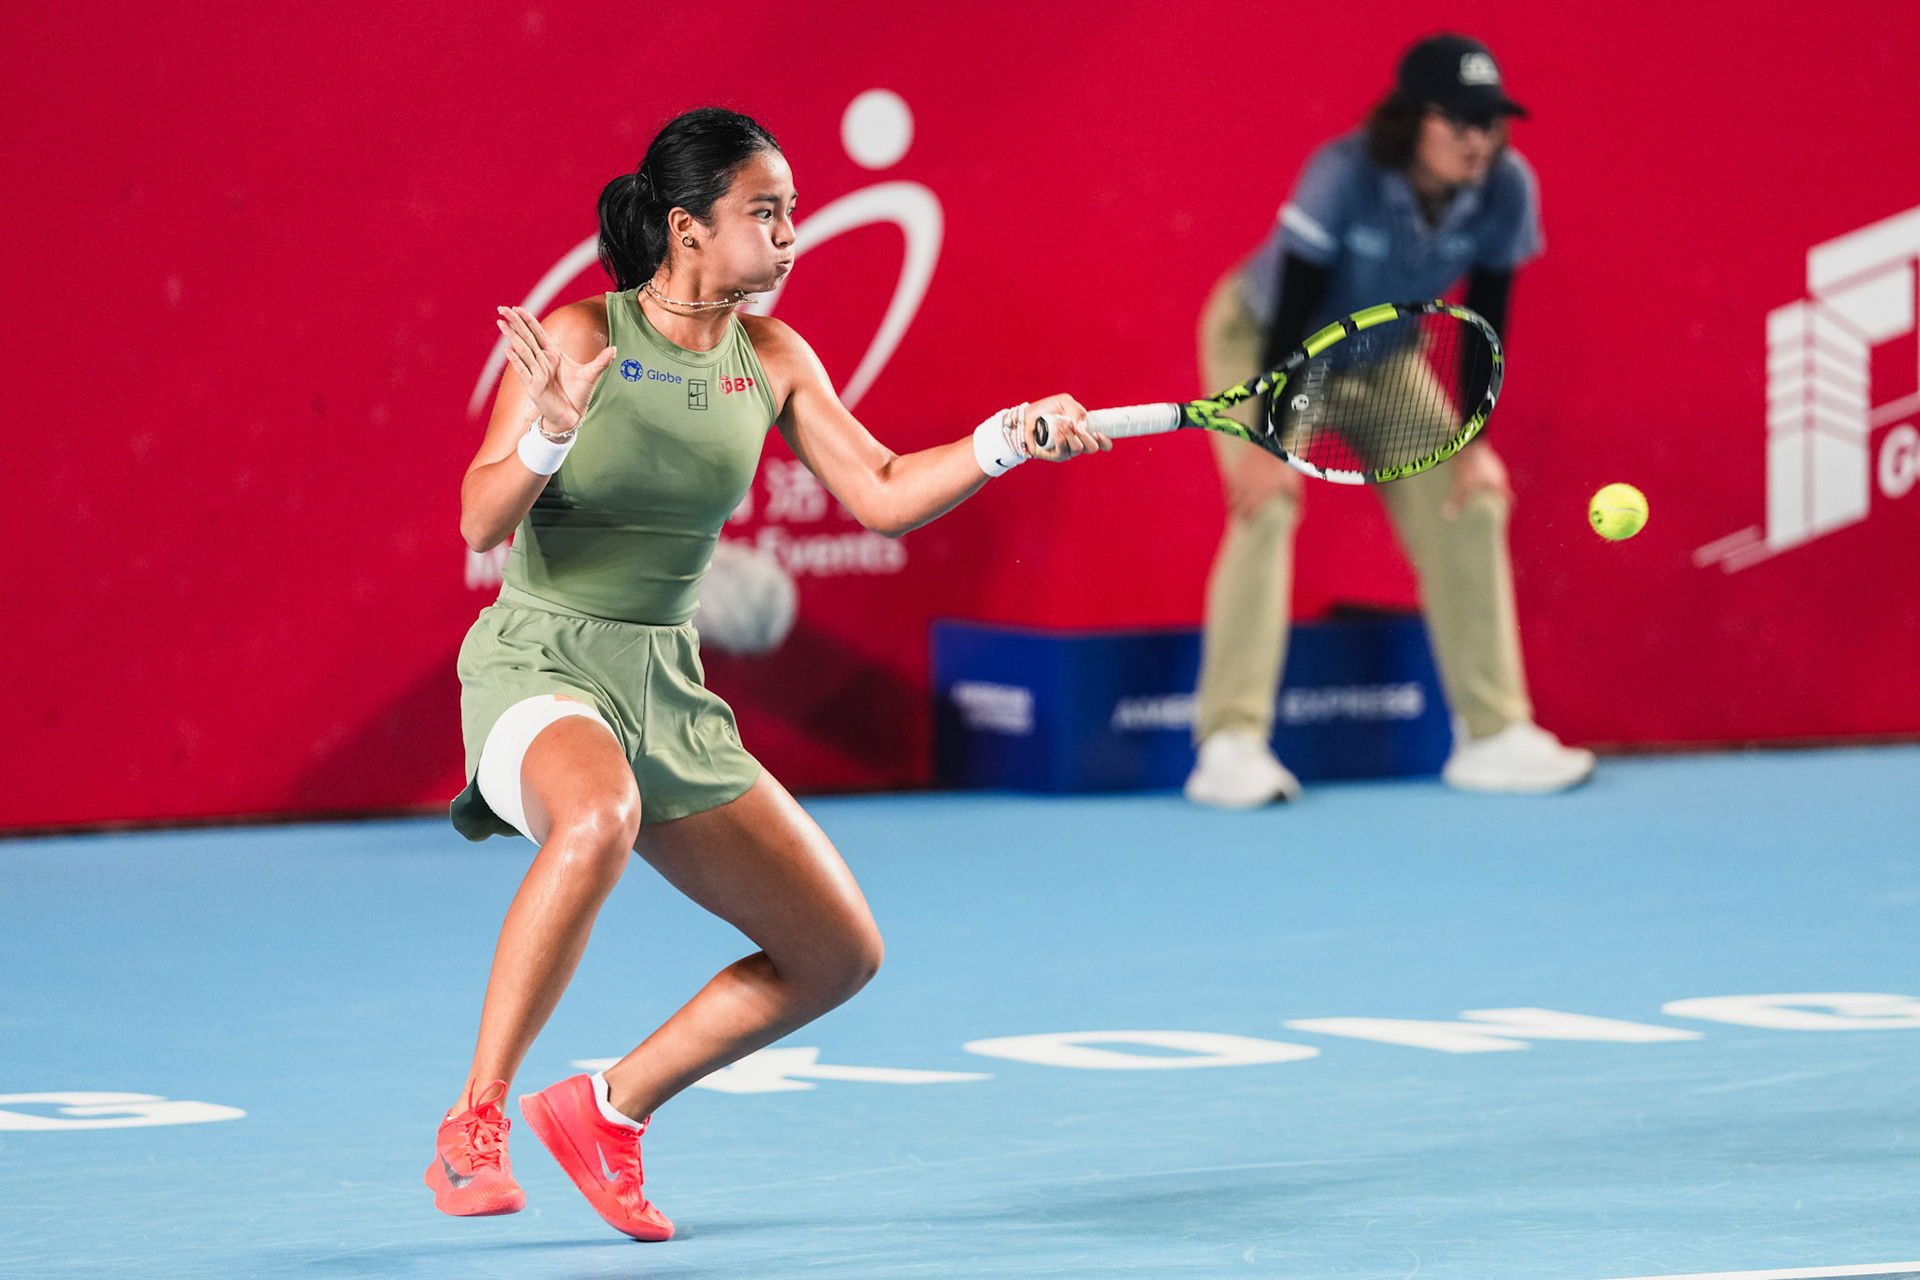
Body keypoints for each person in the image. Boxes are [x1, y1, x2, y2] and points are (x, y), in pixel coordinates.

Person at [429, 107, 1107, 1239]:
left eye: (792, 211)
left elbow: (882, 486)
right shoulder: (582, 332)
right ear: (688, 228)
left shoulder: (775, 357)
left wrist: (1004, 439)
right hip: (538, 656)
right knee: (595, 816)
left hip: (667, 686)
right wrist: (547, 431)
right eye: (767, 212)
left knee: (837, 950)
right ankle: (475, 1117)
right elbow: (478, 513)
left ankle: (608, 1109)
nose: (792, 234)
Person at [1183, 33, 1595, 809]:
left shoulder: (1507, 186)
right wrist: (1267, 440)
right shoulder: (1342, 175)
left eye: (1492, 122)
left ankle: (1492, 734)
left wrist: (1474, 443)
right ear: (1413, 121)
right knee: (1264, 504)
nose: (1481, 140)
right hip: (1269, 347)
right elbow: (1295, 312)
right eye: (1462, 122)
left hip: (1385, 358)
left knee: (1473, 499)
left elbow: (1488, 314)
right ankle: (1229, 744)